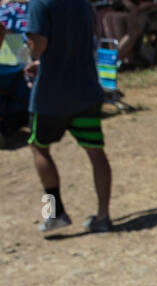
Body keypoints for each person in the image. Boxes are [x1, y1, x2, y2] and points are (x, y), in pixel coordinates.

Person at [25, 0, 112, 233]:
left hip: (51, 96)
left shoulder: (39, 3)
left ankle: (54, 214)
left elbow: (38, 46)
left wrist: (33, 52)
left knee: (39, 147)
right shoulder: (83, 2)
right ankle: (104, 216)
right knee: (96, 152)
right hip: (86, 90)